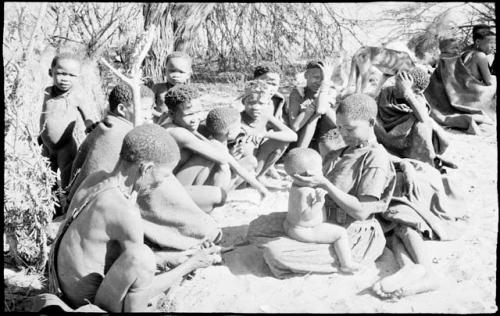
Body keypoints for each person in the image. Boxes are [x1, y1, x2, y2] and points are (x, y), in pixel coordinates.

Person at [49, 124, 222, 312]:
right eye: (163, 175)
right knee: (145, 257)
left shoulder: (95, 179)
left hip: (60, 285)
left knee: (147, 256)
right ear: (146, 169)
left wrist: (178, 257)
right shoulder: (125, 212)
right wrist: (191, 264)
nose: (161, 183)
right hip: (89, 303)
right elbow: (140, 273)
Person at [247, 94, 396, 278]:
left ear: (371, 123)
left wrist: (325, 184)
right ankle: (304, 249)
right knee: (257, 227)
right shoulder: (348, 146)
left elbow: (361, 212)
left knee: (275, 254)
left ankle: (331, 258)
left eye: (349, 128)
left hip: (351, 233)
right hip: (320, 221)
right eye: (340, 127)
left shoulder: (375, 158)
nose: (343, 133)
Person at [160, 84, 269, 199]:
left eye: (198, 112)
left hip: (181, 182)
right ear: (172, 114)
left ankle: (215, 198)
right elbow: (222, 158)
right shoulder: (176, 132)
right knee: (219, 158)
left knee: (246, 161)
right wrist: (258, 186)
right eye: (190, 114)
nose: (196, 118)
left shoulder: (181, 123)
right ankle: (211, 201)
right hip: (172, 191)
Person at [67, 84, 155, 205]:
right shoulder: (118, 133)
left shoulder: (112, 125)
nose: (150, 113)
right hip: (93, 203)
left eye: (151, 108)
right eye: (144, 109)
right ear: (121, 109)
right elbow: (95, 174)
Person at [282, 148, 361, 273]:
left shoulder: (296, 186)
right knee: (341, 233)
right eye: (320, 170)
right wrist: (319, 202)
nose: (322, 172)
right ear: (309, 174)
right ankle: (346, 263)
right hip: (304, 230)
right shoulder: (306, 192)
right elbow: (306, 216)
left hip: (290, 225)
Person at [38, 53, 95, 215]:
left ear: (78, 77)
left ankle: (68, 212)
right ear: (51, 73)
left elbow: (88, 114)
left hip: (66, 146)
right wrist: (40, 136)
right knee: (46, 180)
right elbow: (45, 116)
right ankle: (52, 211)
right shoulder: (47, 92)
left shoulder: (76, 95)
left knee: (67, 181)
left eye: (71, 75)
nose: (66, 78)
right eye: (61, 73)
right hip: (46, 147)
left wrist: (89, 124)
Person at [375, 67, 452, 167]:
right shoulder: (387, 92)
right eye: (397, 83)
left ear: (415, 91)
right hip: (385, 135)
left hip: (405, 143)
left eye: (400, 87)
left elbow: (424, 118)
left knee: (421, 125)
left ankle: (429, 160)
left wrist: (407, 93)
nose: (396, 88)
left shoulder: (417, 99)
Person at [235, 80, 298, 184]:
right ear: (243, 102)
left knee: (280, 141)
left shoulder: (265, 116)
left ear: (268, 103)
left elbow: (293, 136)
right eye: (251, 103)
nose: (256, 107)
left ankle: (259, 176)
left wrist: (264, 134)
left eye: (261, 103)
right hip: (241, 168)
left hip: (256, 166)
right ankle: (244, 182)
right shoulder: (237, 118)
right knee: (246, 145)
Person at [175, 106, 242, 191]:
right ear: (230, 132)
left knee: (250, 162)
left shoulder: (211, 141)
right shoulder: (216, 145)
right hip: (199, 188)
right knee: (224, 168)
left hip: (199, 184)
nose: (241, 128)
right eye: (239, 126)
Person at [288, 60, 338, 151]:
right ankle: (300, 153)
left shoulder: (329, 91)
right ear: (306, 75)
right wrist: (312, 106)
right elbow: (295, 126)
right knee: (315, 115)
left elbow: (321, 109)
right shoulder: (299, 92)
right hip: (299, 139)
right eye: (316, 77)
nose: (320, 82)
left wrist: (325, 86)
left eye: (323, 79)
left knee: (323, 110)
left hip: (324, 139)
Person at [152, 51, 193, 123]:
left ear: (188, 74)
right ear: (165, 71)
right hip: (159, 124)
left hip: (181, 125)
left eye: (181, 72)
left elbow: (193, 111)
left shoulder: (190, 92)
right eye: (172, 71)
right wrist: (161, 115)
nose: (176, 75)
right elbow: (146, 108)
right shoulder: (158, 88)